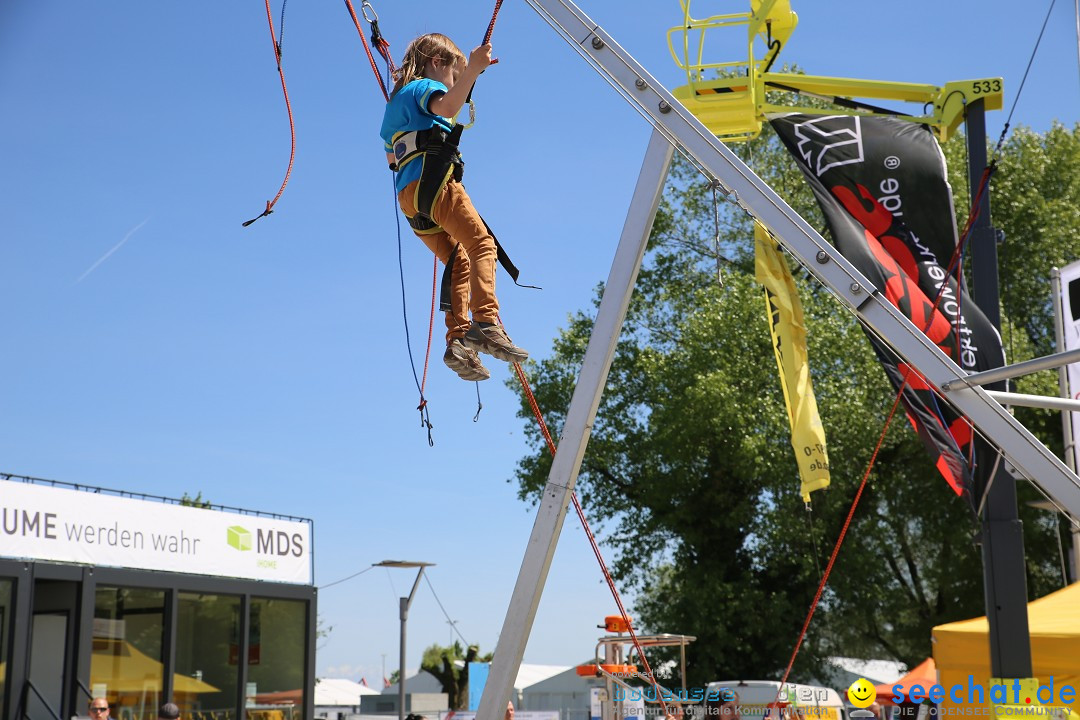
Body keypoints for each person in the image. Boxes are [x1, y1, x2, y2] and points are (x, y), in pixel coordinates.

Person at [381, 33, 529, 382]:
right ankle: (486, 322)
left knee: (458, 259)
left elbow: (392, 158)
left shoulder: (395, 106)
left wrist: (468, 75)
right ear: (436, 63)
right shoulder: (421, 88)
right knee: (482, 245)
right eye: (452, 75)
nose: (453, 83)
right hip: (436, 187)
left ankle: (458, 340)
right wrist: (473, 71)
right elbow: (447, 107)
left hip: (410, 199)